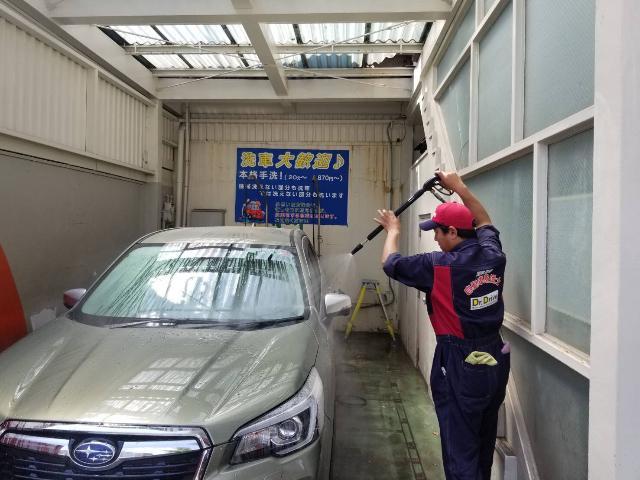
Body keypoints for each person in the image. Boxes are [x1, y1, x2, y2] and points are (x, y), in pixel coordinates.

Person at [374, 171, 510, 480]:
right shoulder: (493, 254)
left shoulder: (439, 266)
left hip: (461, 363)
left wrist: (392, 230)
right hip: (495, 357)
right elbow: (484, 220)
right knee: (482, 441)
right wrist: (458, 187)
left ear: (452, 231)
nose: (434, 237)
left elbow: (390, 264)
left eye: (437, 231)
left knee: (459, 446)